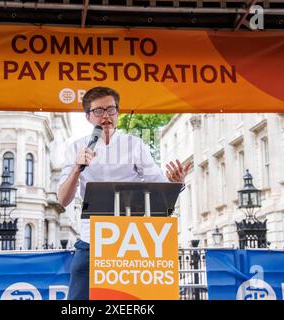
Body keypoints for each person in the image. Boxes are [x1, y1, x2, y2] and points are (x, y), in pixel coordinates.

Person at [57, 86, 192, 300]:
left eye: (111, 110)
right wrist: (76, 168)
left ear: (118, 113)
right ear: (88, 117)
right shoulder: (75, 148)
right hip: (91, 240)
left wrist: (176, 184)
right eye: (99, 111)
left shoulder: (134, 145)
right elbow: (63, 199)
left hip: (130, 241)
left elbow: (159, 187)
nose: (106, 116)